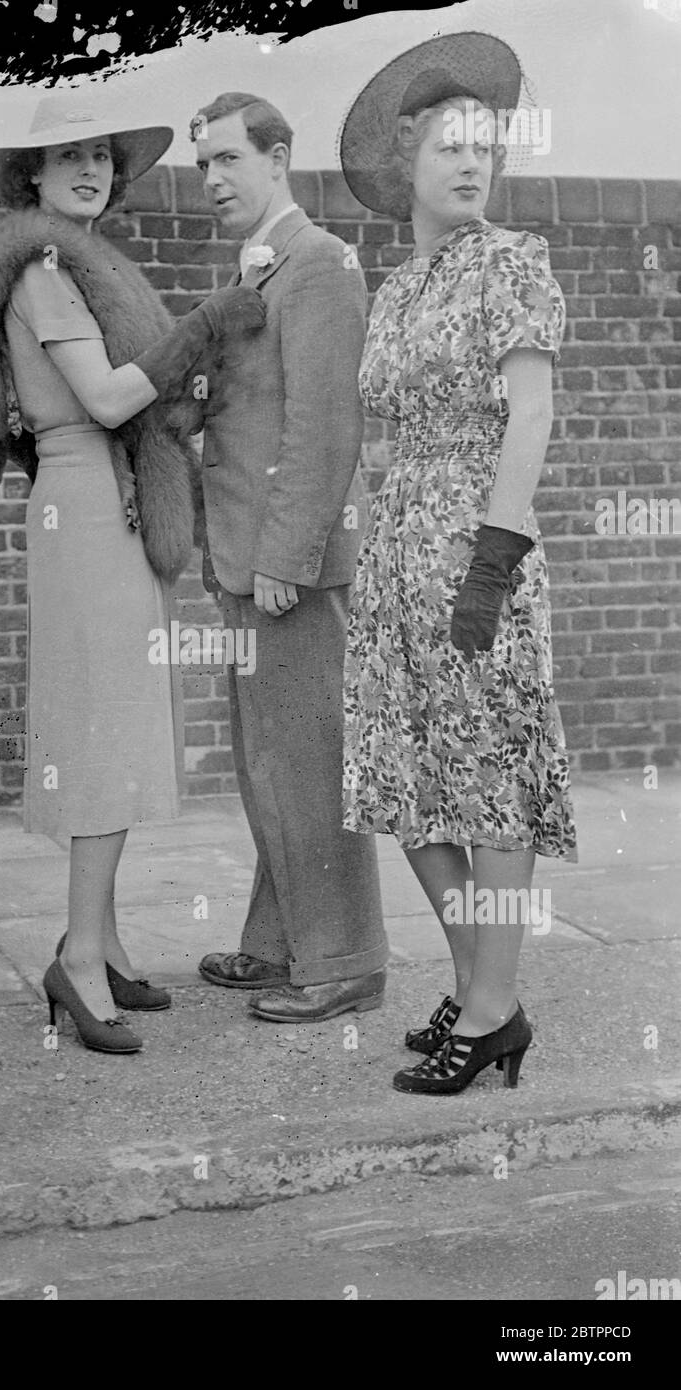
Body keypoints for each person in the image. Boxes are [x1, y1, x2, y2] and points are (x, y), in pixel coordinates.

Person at [0, 103, 264, 1055]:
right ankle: (78, 961)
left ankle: (108, 941)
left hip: (113, 496)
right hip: (85, 494)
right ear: (31, 178)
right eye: (67, 156)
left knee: (125, 718)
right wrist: (209, 322)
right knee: (99, 729)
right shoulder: (45, 272)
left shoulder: (87, 264)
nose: (88, 169)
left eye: (99, 155)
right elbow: (108, 396)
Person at [339, 33, 577, 1094]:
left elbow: (530, 413)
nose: (470, 164)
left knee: (487, 782)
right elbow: (380, 431)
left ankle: (490, 1008)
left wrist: (491, 559)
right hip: (398, 551)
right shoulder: (393, 291)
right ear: (409, 162)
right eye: (449, 147)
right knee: (404, 781)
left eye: (484, 147)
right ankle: (482, 985)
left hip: (479, 545)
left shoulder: (509, 266)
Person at [188, 92, 388, 1023]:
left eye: (230, 159)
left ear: (278, 158)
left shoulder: (318, 265)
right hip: (245, 561)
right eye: (203, 165)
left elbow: (324, 426)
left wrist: (287, 557)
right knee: (269, 762)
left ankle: (345, 959)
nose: (214, 180)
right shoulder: (259, 271)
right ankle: (278, 944)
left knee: (308, 764)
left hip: (286, 570)